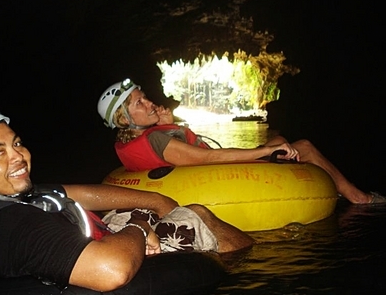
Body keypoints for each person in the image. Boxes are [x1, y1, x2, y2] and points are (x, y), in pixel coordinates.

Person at [0, 105, 253, 292]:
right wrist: (142, 227)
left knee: (137, 208)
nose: (19, 157)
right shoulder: (12, 227)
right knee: (195, 214)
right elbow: (111, 270)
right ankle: (248, 269)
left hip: (91, 242)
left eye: (16, 143)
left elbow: (78, 193)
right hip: (108, 260)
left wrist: (153, 200)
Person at [98, 79, 386, 205]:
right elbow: (207, 159)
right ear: (124, 119)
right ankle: (358, 198)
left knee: (283, 140)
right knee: (305, 146)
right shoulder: (158, 139)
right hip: (212, 179)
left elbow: (180, 151)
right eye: (139, 103)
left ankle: (326, 184)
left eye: (144, 97)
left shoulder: (133, 140)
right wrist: (264, 150)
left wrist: (167, 123)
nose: (149, 103)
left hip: (195, 175)